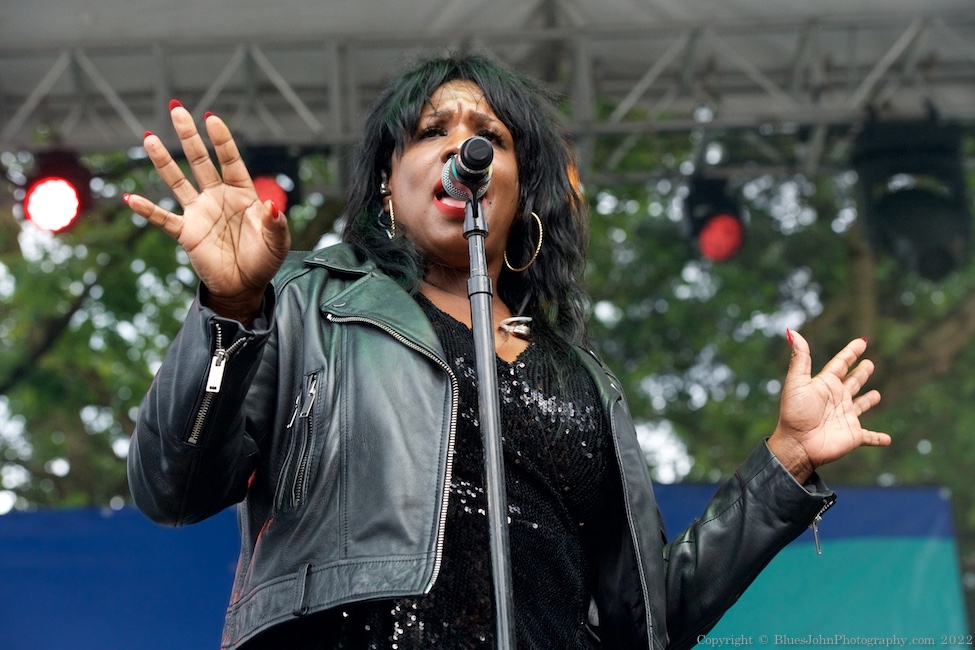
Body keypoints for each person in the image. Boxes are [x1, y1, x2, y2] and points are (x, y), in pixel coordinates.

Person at [125, 53, 890, 650]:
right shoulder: (311, 300)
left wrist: (783, 463)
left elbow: (646, 620)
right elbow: (172, 486)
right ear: (388, 185)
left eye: (489, 136)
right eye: (433, 131)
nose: (464, 145)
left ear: (521, 190)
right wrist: (228, 308)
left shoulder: (582, 377)